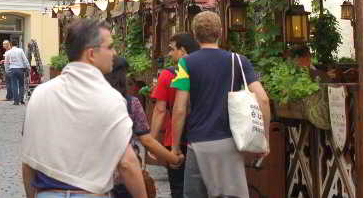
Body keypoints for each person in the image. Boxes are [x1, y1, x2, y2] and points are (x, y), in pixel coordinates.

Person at [22, 18, 147, 198]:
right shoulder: (110, 98)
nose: (115, 53)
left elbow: (28, 161)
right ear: (91, 54)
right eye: (110, 47)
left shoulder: (41, 93)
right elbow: (127, 163)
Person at [170, 11, 271, 197]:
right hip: (229, 142)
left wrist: (175, 147)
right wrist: (264, 140)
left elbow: (179, 108)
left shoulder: (185, 63)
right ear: (221, 32)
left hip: (197, 144)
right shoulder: (239, 61)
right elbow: (263, 99)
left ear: (194, 34)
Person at [105, 56, 181, 198]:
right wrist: (173, 158)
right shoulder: (131, 103)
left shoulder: (90, 102)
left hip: (96, 178)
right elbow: (146, 140)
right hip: (124, 177)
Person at [150, 33, 199, 198]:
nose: (169, 54)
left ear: (183, 50)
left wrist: (152, 139)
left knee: (178, 188)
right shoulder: (205, 70)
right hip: (204, 137)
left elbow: (160, 110)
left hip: (175, 139)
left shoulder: (169, 74)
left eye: (172, 49)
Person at [5, 40, 29, 105]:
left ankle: (16, 101)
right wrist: (28, 67)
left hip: (12, 69)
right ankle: (21, 99)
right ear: (17, 44)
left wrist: (7, 70)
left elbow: (6, 62)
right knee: (21, 85)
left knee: (14, 85)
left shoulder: (9, 52)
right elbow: (25, 60)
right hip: (20, 69)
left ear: (11, 44)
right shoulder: (20, 50)